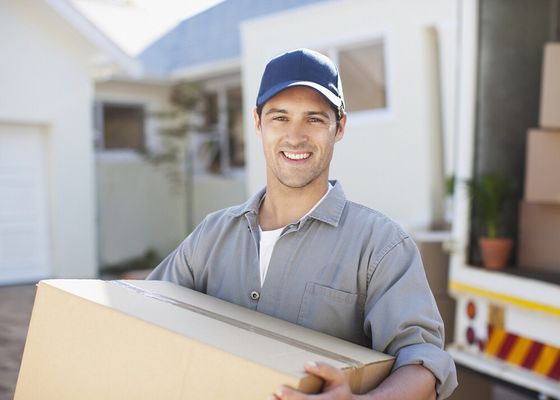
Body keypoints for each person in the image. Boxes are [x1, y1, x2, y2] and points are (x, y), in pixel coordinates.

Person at [148, 48, 457, 399]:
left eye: (314, 119)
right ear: (257, 122)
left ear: (339, 127)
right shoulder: (212, 235)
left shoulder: (380, 245)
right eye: (280, 118)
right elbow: (145, 313)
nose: (296, 137)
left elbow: (424, 362)